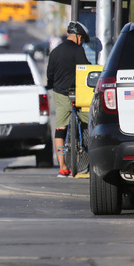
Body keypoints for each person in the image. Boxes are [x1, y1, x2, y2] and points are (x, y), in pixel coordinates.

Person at [46, 21, 91, 177]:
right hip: (78, 94)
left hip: (60, 94)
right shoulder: (78, 50)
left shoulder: (55, 51)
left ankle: (63, 167)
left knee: (60, 129)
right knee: (89, 122)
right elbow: (86, 69)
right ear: (79, 37)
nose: (82, 42)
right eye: (83, 39)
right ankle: (90, 157)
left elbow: (50, 75)